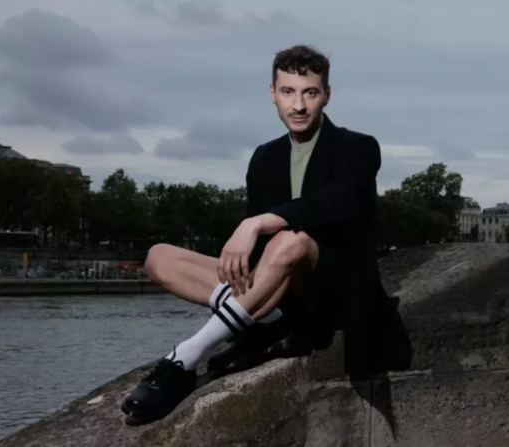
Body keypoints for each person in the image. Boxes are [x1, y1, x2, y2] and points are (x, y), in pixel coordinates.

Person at [120, 44, 389, 421]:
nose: (298, 105)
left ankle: (186, 357)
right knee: (159, 256)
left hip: (334, 291)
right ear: (272, 94)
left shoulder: (359, 147)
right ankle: (259, 321)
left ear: (326, 95)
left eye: (309, 92)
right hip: (279, 287)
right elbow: (261, 251)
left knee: (289, 239)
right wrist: (251, 245)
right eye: (288, 92)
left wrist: (259, 221)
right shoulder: (265, 156)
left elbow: (333, 205)